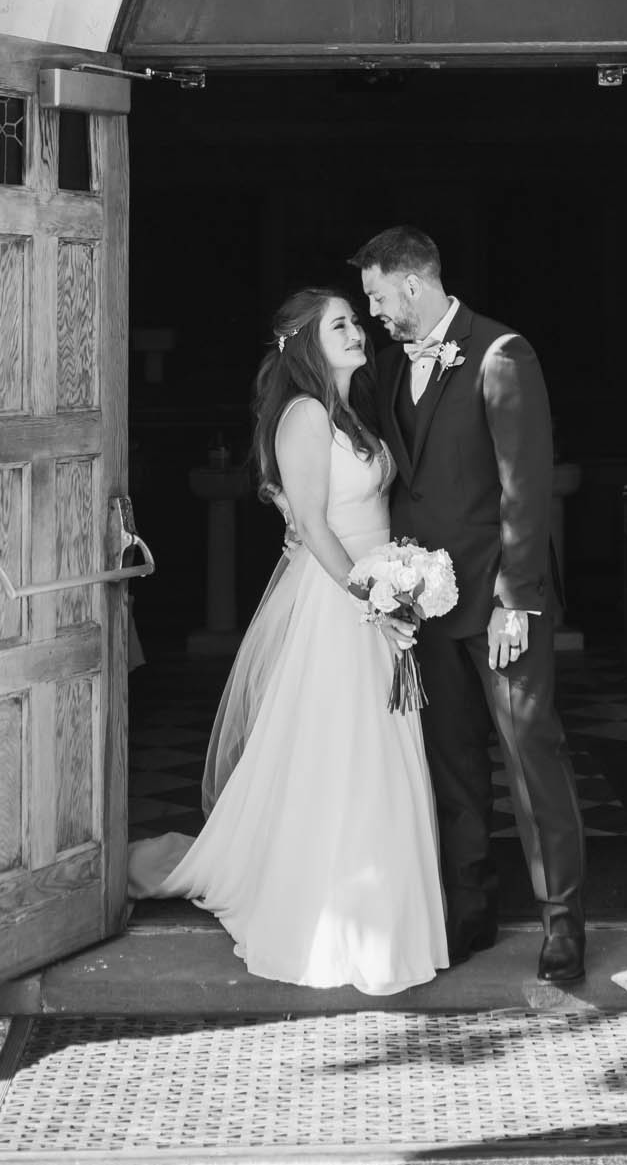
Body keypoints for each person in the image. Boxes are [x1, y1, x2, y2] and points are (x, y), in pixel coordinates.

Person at [125, 286, 448, 995]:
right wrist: (375, 596)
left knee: (379, 754)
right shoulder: (303, 416)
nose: (358, 330)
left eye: (357, 321)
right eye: (341, 324)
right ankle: (327, 910)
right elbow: (317, 524)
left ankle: (392, 916)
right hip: (341, 606)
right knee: (338, 753)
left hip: (377, 595)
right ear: (306, 342)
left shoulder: (353, 411)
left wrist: (401, 579)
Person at [355, 225, 587, 984]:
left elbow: (526, 488)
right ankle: (469, 908)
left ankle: (563, 924)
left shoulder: (499, 355)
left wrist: (515, 600)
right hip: (424, 607)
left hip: (498, 603)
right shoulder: (390, 369)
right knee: (451, 765)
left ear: (413, 286)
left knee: (529, 755)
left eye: (379, 297)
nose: (375, 312)